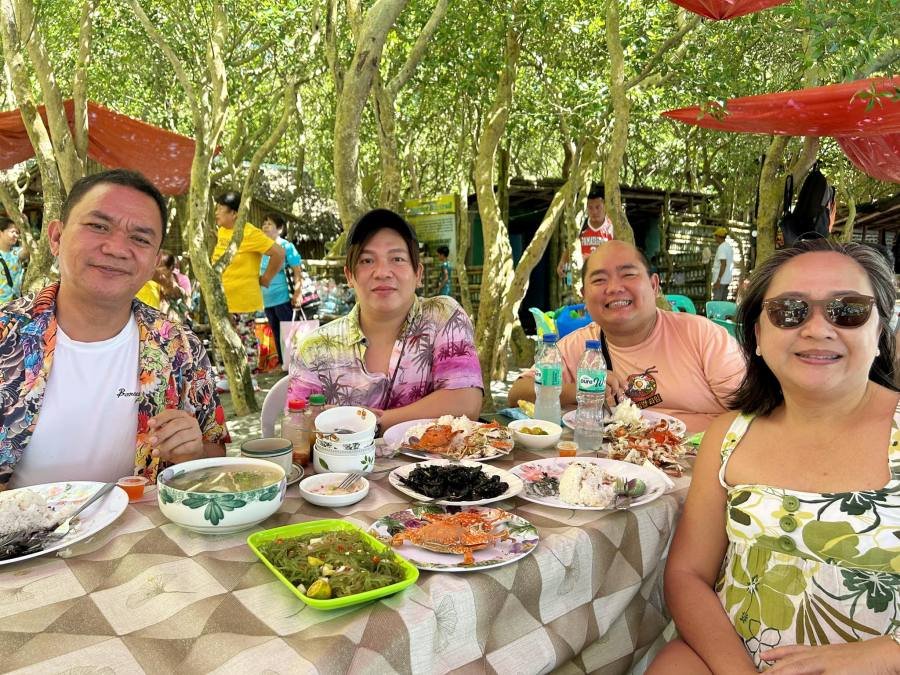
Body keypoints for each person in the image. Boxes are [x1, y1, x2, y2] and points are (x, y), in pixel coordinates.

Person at [652, 239, 900, 673]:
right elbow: (688, 575)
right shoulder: (729, 435)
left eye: (848, 310)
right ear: (758, 337)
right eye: (789, 310)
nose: (817, 329)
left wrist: (879, 657)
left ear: (879, 332)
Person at [0, 169, 229, 490]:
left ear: (153, 262)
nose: (117, 248)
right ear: (56, 237)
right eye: (98, 226)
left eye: (140, 238)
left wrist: (191, 452)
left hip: (141, 535)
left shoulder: (181, 348)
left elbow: (216, 452)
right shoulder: (6, 337)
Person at [509, 241, 745, 434]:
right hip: (617, 469)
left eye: (628, 274)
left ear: (654, 286)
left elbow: (757, 413)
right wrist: (582, 389)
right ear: (584, 295)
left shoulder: (702, 336)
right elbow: (518, 392)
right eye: (599, 280)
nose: (614, 288)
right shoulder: (582, 345)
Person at [288, 208, 483, 431]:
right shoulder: (315, 347)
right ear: (349, 275)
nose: (382, 272)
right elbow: (298, 426)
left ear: (418, 274)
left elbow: (466, 403)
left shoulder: (443, 316)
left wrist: (373, 421)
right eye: (367, 260)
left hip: (436, 465)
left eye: (397, 258)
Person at [211, 191, 285, 388]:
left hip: (243, 300)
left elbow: (278, 253)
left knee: (246, 341)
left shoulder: (249, 232)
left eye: (220, 209)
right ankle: (225, 378)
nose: (216, 212)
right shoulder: (221, 231)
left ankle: (249, 378)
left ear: (235, 213)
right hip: (222, 299)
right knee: (220, 340)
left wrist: (266, 278)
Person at [260, 213, 304, 366]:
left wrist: (298, 293)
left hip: (283, 298)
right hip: (267, 300)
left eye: (270, 224)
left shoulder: (286, 246)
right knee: (277, 332)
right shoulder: (261, 248)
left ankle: (295, 365)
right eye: (264, 223)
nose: (265, 226)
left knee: (289, 332)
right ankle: (284, 365)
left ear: (280, 229)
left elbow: (297, 271)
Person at [556, 184, 614, 279]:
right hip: (583, 276)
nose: (594, 212)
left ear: (605, 205)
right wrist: (562, 262)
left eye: (598, 207)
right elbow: (571, 247)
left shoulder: (613, 227)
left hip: (605, 276)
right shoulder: (580, 226)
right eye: (590, 208)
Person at [0, 218, 30, 305]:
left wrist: (25, 226)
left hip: (17, 305)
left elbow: (30, 250)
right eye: (12, 231)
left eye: (17, 233)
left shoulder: (16, 252)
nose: (16, 235)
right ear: (1, 232)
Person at [712, 226, 734, 301]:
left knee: (717, 302)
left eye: (715, 236)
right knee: (723, 302)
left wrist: (718, 280)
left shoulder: (722, 248)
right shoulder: (728, 246)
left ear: (719, 237)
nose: (715, 238)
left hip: (721, 281)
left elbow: (723, 264)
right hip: (726, 279)